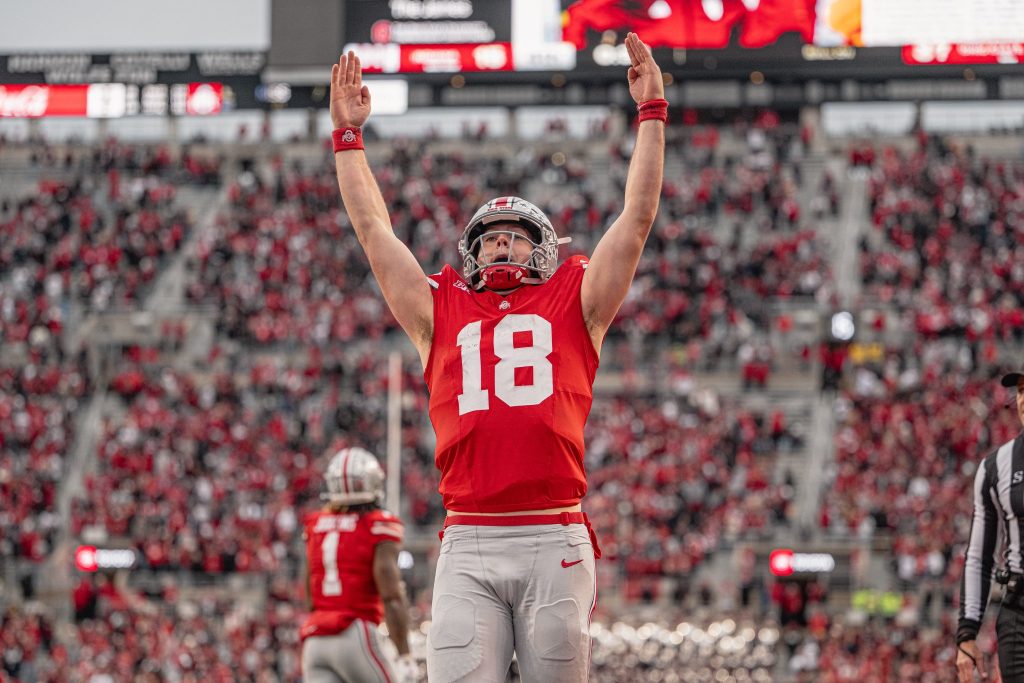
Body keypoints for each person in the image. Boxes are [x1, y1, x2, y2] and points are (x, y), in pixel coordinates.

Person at [328, 31, 665, 682]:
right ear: (471, 254)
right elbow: (375, 233)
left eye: (514, 237)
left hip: (553, 533)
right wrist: (348, 140)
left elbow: (638, 216)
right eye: (491, 240)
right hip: (470, 535)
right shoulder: (441, 308)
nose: (502, 247)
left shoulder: (577, 300)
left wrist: (651, 116)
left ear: (540, 249)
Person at [301, 447, 417, 683]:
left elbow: (309, 594)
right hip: (354, 634)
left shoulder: (316, 525)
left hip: (315, 640)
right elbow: (392, 596)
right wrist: (405, 654)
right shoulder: (378, 525)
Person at [956, 368, 1024, 683]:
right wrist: (967, 632)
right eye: (1021, 391)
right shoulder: (996, 466)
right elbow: (979, 556)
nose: (1023, 399)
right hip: (1019, 611)